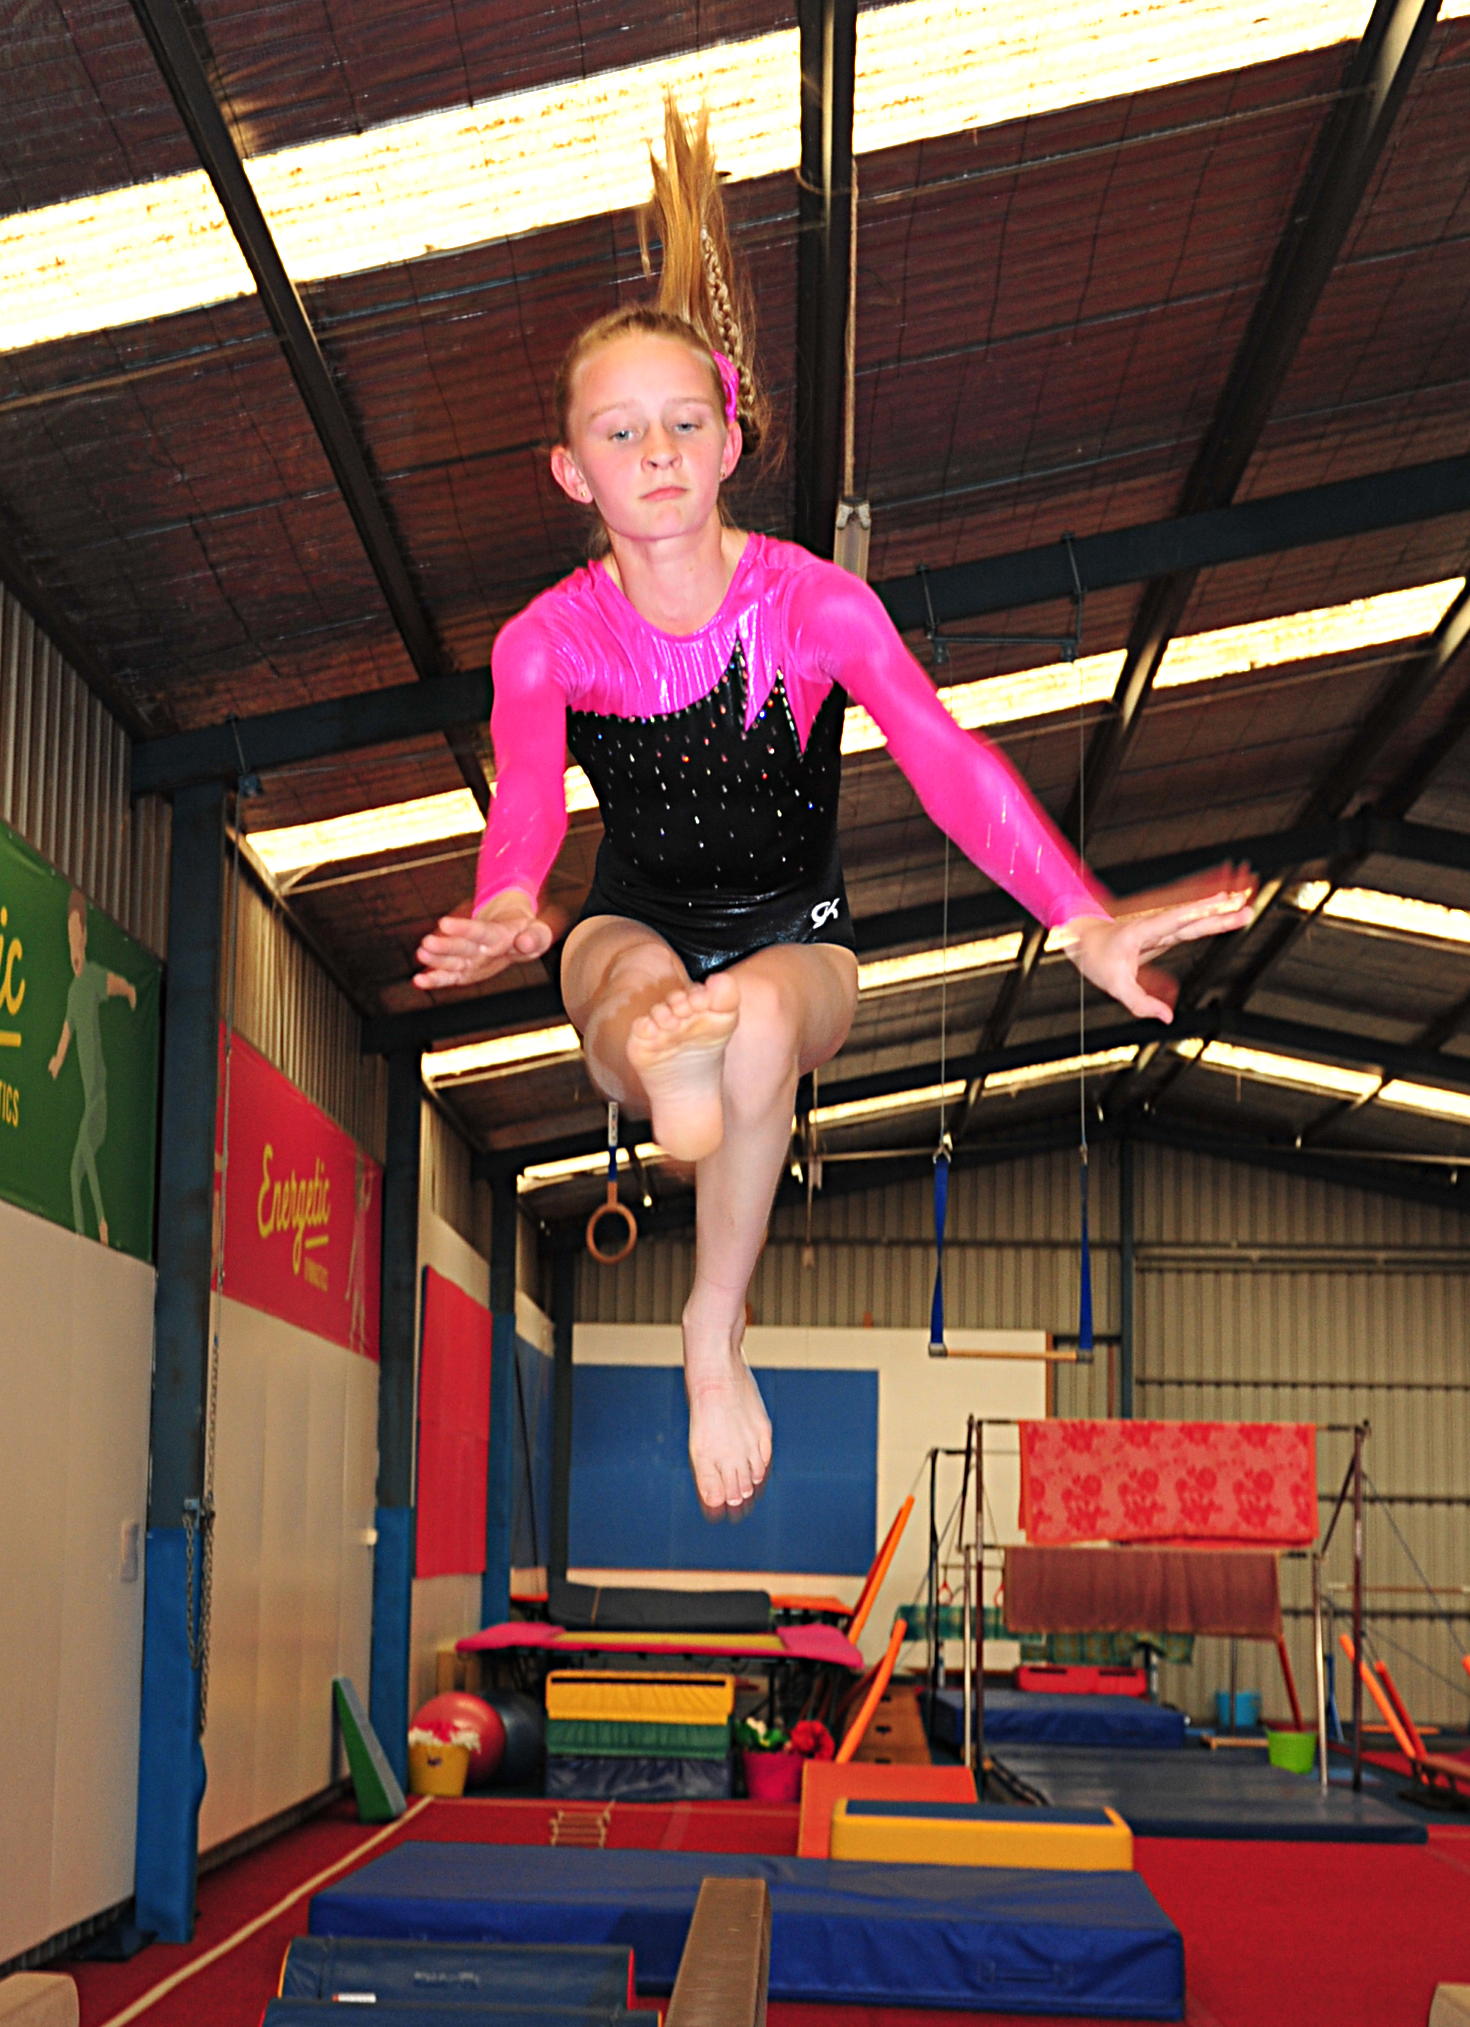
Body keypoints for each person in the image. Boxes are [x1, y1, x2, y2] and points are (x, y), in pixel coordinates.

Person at [414, 103, 1250, 1518]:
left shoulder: (811, 605)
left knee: (757, 1020)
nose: (658, 451)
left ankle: (711, 1323)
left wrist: (1081, 918)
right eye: (622, 432)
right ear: (573, 471)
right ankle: (664, 1073)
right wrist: (508, 904)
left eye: (684, 424)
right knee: (628, 990)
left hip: (799, 933)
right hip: (634, 916)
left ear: (729, 439)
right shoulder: (547, 641)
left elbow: (941, 755)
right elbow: (529, 808)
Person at [49, 885, 138, 1247]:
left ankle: (102, 1224)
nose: (74, 944)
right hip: (89, 1098)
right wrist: (57, 1061)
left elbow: (115, 984)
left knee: (85, 1150)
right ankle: (81, 1236)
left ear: (85, 937)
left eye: (78, 935)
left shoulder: (93, 977)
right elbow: (66, 1033)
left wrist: (130, 991)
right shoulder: (72, 993)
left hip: (98, 1095)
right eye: (69, 938)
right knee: (74, 1173)